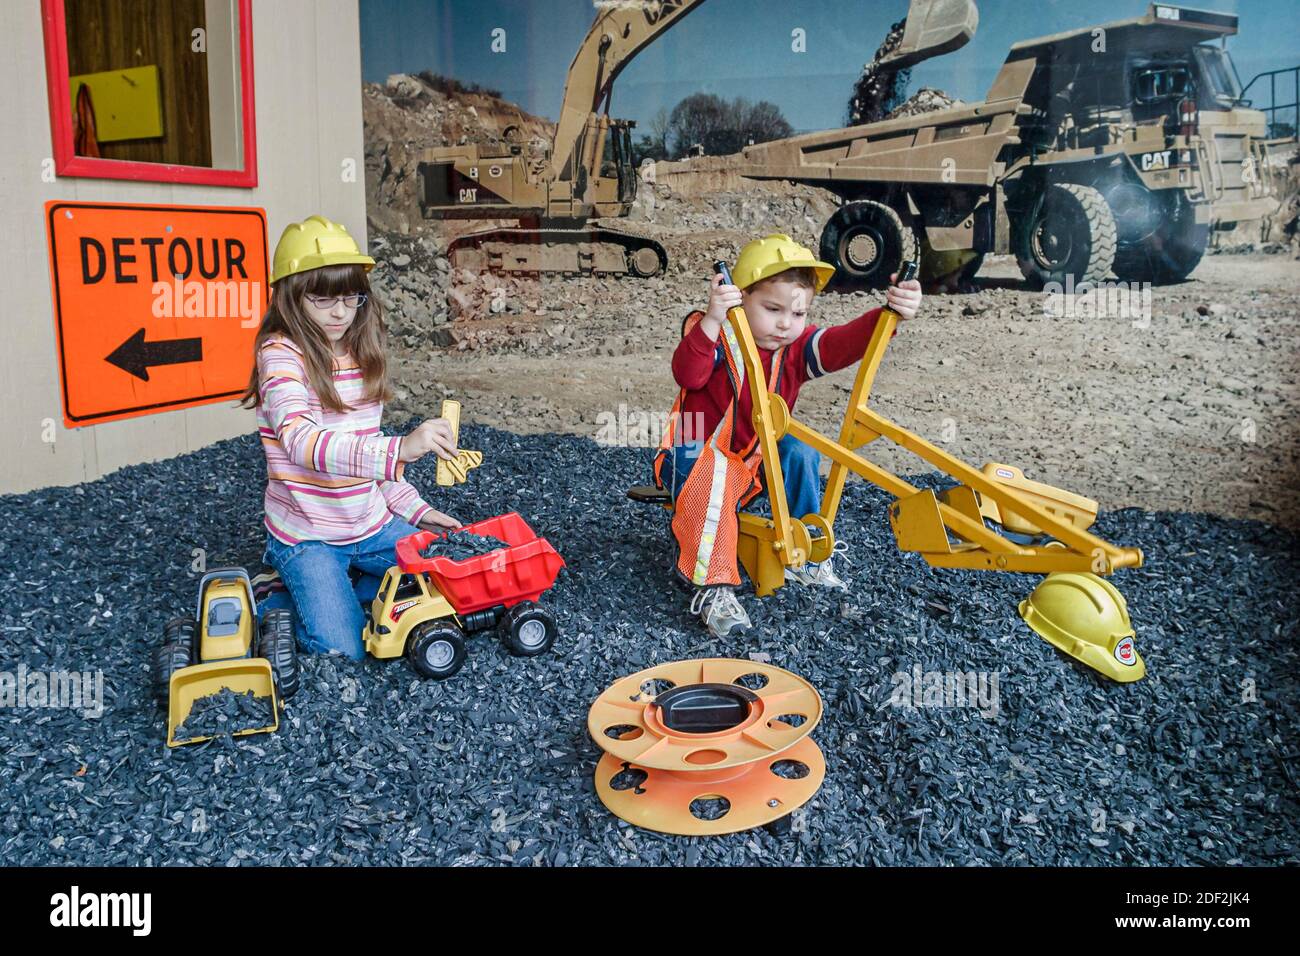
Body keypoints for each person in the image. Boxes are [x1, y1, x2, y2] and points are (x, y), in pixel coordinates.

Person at [654, 233, 922, 638]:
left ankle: (808, 550)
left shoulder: (791, 350)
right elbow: (687, 375)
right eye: (772, 308)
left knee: (800, 451)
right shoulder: (717, 336)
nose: (785, 323)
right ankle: (713, 587)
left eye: (797, 314)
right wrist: (711, 318)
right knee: (717, 472)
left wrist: (889, 313)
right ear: (737, 297)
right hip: (692, 457)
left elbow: (839, 344)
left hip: (751, 459)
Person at [241, 214, 460, 659]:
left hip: (370, 524)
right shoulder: (281, 354)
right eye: (323, 299)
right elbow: (301, 442)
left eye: (351, 298)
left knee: (455, 588)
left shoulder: (359, 353)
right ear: (290, 296)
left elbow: (365, 457)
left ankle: (349, 586)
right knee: (345, 649)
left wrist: (418, 510)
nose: (340, 312)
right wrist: (399, 448)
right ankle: (276, 592)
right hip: (308, 536)